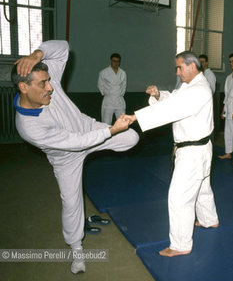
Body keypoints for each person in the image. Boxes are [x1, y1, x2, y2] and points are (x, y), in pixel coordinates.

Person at [11, 40, 139, 274]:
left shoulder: (48, 83)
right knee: (71, 203)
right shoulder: (28, 127)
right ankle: (76, 250)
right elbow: (76, 144)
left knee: (131, 139)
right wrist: (111, 131)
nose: (51, 88)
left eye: (49, 81)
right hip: (65, 157)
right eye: (43, 84)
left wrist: (36, 54)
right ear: (24, 87)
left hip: (86, 128)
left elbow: (63, 47)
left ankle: (112, 136)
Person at [127, 51, 219, 257]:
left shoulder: (199, 89)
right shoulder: (191, 86)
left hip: (193, 151)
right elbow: (174, 99)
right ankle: (209, 219)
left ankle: (180, 244)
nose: (177, 72)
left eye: (180, 68)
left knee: (179, 196)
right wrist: (159, 95)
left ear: (192, 66)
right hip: (198, 148)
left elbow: (172, 109)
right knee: (202, 185)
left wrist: (136, 117)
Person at [98, 53, 127, 125]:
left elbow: (124, 86)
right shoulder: (104, 72)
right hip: (108, 100)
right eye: (114, 61)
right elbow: (100, 85)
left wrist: (119, 94)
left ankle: (122, 136)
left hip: (119, 100)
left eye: (118, 61)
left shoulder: (123, 73)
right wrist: (106, 93)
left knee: (122, 122)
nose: (116, 63)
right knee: (106, 123)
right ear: (111, 61)